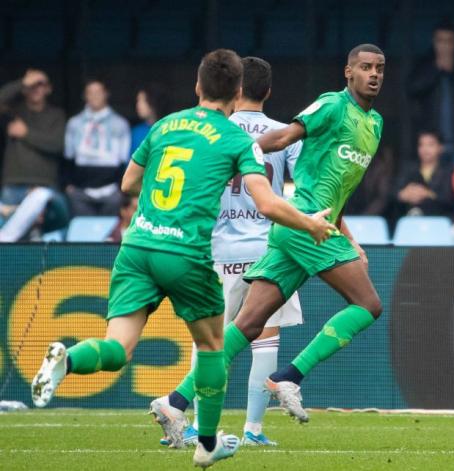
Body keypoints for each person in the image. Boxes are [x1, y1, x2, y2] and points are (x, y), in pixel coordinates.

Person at [30, 49, 335, 469]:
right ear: (237, 92)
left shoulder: (164, 124)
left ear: (197, 86)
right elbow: (267, 203)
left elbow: (128, 182)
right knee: (213, 347)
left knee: (117, 348)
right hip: (187, 253)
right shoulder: (237, 140)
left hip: (137, 248)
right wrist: (310, 225)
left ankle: (69, 358)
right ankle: (208, 443)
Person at [165, 44, 385, 429]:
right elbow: (284, 139)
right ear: (348, 72)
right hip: (303, 224)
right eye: (365, 67)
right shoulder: (332, 105)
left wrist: (348, 235)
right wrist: (234, 156)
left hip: (303, 229)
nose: (374, 74)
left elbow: (341, 188)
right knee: (368, 305)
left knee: (248, 325)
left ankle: (175, 401)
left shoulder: (375, 124)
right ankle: (290, 376)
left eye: (379, 68)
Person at [154, 56, 304, 448]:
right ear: (268, 91)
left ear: (237, 90)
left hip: (216, 250)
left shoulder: (211, 131)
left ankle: (189, 425)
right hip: (267, 251)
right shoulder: (284, 134)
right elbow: (301, 189)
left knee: (207, 342)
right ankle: (254, 429)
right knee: (265, 339)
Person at [0, 69, 66, 234]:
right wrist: (22, 82)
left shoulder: (57, 115)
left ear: (48, 89)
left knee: (43, 238)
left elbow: (58, 145)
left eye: (41, 84)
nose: (36, 88)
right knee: (8, 237)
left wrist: (26, 133)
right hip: (13, 186)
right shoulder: (13, 111)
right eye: (32, 85)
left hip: (45, 187)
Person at [407, 20, 454, 154]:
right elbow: (412, 89)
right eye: (440, 41)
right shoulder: (424, 64)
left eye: (449, 41)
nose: (444, 46)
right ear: (434, 42)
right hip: (432, 146)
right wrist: (435, 70)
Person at [64, 80, 131, 217]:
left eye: (98, 92)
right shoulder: (74, 123)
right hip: (80, 191)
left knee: (108, 235)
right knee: (84, 234)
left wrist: (119, 188)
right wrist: (68, 185)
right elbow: (68, 157)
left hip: (111, 191)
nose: (94, 96)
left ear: (106, 94)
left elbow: (125, 160)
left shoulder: (120, 124)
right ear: (85, 96)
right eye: (90, 93)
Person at [395, 131, 454, 219]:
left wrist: (427, 194)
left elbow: (450, 199)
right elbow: (392, 193)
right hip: (410, 222)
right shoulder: (408, 170)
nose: (425, 149)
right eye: (421, 145)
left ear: (441, 147)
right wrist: (402, 195)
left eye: (430, 145)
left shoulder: (449, 172)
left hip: (439, 222)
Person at [131, 83, 170, 153]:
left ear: (153, 101)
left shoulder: (170, 129)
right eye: (138, 101)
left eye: (143, 101)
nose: (138, 105)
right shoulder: (137, 132)